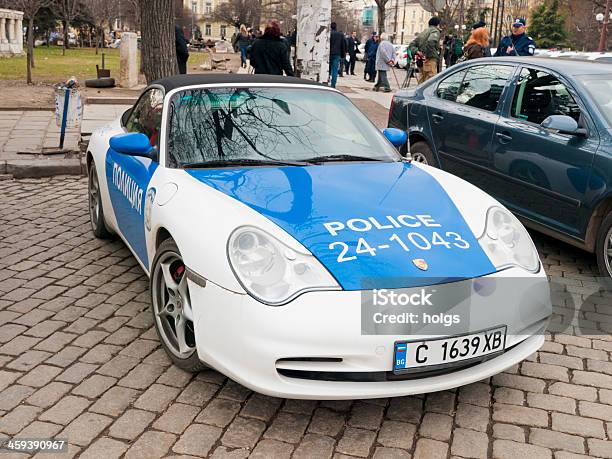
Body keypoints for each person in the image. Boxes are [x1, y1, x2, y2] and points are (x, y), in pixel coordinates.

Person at [409, 16, 441, 83]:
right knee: (430, 81)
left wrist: (417, 52)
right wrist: (428, 55)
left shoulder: (423, 32)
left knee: (422, 80)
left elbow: (411, 45)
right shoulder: (435, 31)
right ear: (437, 24)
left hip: (421, 61)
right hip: (430, 59)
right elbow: (431, 41)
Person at [328, 22, 347, 88]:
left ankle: (326, 81)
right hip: (337, 54)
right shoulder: (340, 34)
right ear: (336, 27)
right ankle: (333, 85)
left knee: (328, 69)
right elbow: (343, 45)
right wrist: (343, 55)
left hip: (329, 54)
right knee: (335, 70)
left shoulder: (328, 34)